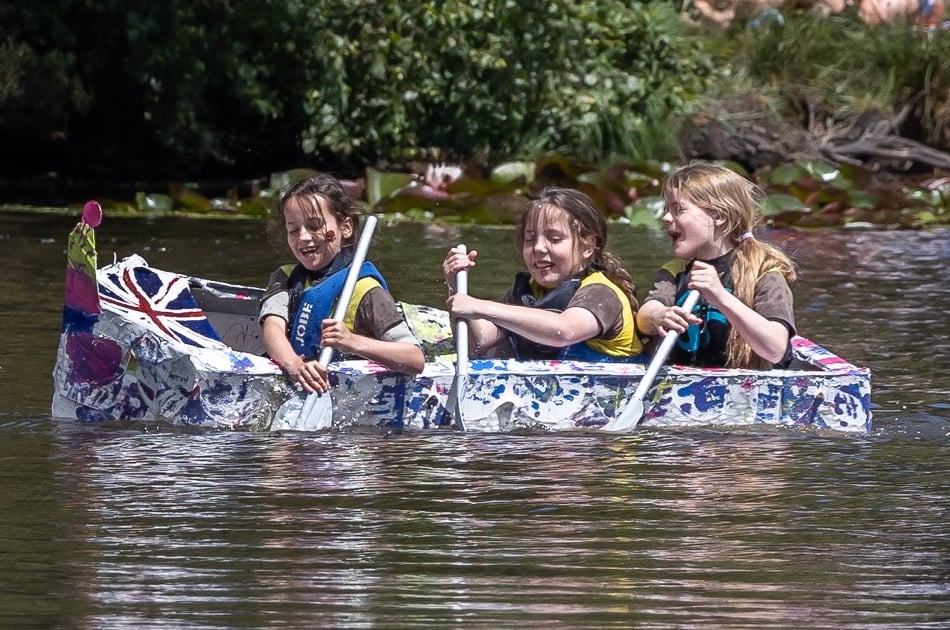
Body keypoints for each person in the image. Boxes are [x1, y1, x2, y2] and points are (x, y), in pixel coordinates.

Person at [260, 173, 424, 393]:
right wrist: (294, 364)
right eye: (293, 230)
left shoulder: (366, 291)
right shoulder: (285, 278)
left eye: (314, 225)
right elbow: (272, 327)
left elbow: (415, 359)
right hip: (297, 370)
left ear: (345, 228)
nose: (303, 237)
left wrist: (350, 341)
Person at [442, 187, 643, 362]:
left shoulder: (600, 293)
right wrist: (457, 290)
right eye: (530, 239)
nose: (538, 248)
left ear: (588, 246)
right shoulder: (529, 291)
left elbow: (565, 331)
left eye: (554, 239)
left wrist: (479, 306)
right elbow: (478, 344)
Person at [636, 162, 797, 369]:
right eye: (667, 210)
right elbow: (646, 314)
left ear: (719, 216)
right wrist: (659, 316)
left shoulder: (765, 272)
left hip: (745, 391)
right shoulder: (677, 270)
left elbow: (775, 350)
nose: (666, 218)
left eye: (678, 209)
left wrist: (720, 297)